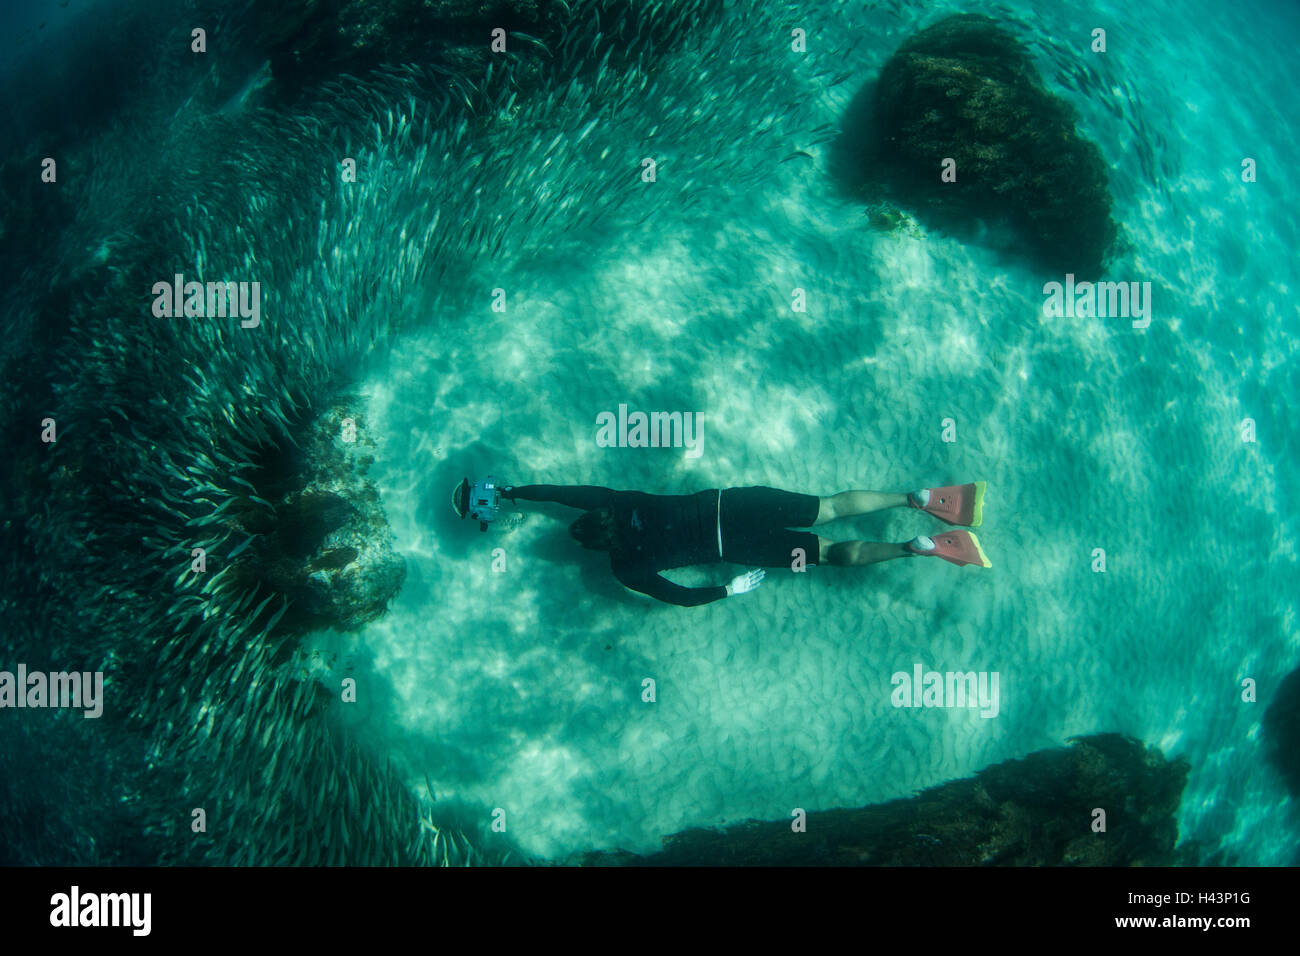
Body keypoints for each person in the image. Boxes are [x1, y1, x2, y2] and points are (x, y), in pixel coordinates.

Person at [455, 477, 989, 608]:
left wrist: (727, 591)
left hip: (738, 550)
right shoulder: (615, 501)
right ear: (601, 515)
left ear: (597, 548)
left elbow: (678, 597)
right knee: (829, 507)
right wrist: (511, 490)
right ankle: (917, 498)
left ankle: (917, 547)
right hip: (731, 506)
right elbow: (565, 494)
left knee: (826, 554)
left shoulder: (624, 567)